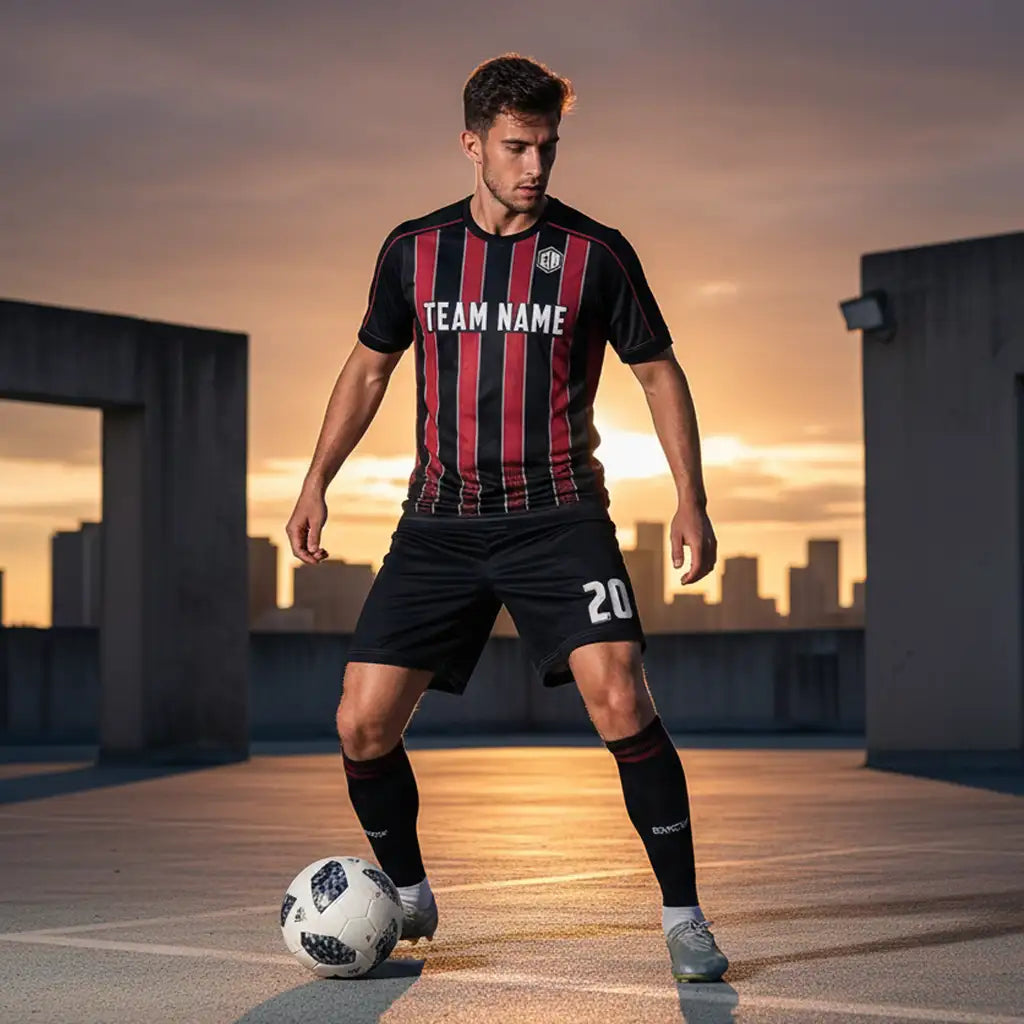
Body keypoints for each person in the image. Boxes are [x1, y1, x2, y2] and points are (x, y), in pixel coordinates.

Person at [285, 52, 728, 983]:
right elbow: (369, 369)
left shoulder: (596, 253)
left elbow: (659, 373)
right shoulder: (413, 251)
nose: (535, 166)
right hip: (439, 522)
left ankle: (685, 918)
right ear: (472, 144)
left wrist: (691, 496)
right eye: (517, 147)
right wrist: (316, 479)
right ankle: (408, 892)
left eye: (547, 147)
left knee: (623, 700)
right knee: (362, 724)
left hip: (558, 515)